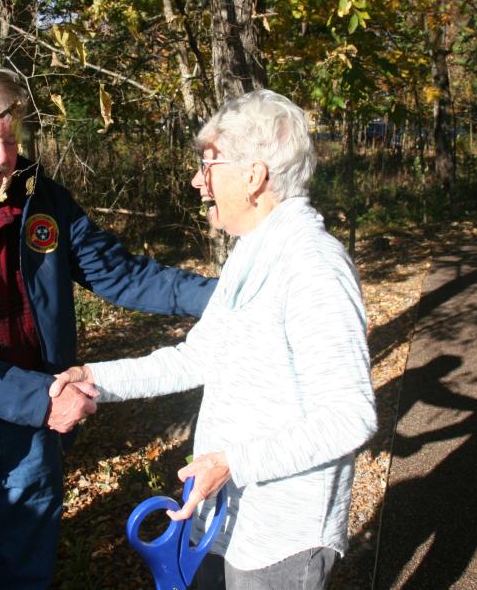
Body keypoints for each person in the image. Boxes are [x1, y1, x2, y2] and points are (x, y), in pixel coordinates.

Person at [0, 64, 214, 590]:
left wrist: (229, 295)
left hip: (30, 441)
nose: (3, 158)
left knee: (26, 578)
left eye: (11, 140)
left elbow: (118, 272)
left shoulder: (39, 198)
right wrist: (41, 399)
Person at [51, 89, 376, 590]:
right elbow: (197, 358)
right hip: (224, 518)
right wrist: (95, 379)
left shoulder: (313, 265)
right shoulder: (252, 253)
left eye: (209, 165)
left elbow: (348, 417)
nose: (196, 181)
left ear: (254, 176)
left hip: (281, 535)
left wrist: (234, 463)